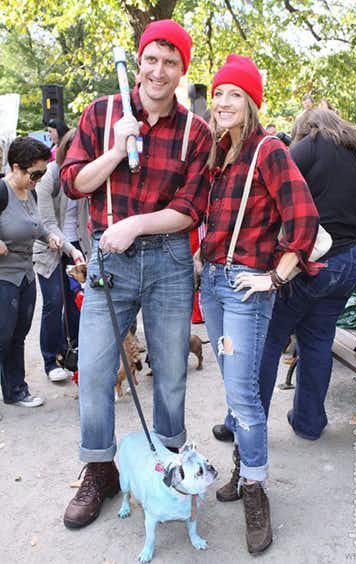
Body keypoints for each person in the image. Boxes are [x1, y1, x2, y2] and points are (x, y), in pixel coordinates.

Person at [60, 19, 211, 529]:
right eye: (151, 59)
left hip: (167, 258)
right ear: (139, 61)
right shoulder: (100, 113)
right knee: (97, 372)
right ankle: (99, 469)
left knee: (170, 375)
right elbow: (75, 183)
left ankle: (167, 464)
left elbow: (190, 208)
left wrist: (136, 225)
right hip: (109, 259)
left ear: (181, 70)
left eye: (171, 62)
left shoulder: (197, 131)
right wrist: (115, 150)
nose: (158, 71)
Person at [198, 54, 319, 553]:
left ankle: (256, 488)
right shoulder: (219, 152)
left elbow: (305, 220)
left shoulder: (268, 150)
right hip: (214, 284)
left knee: (245, 396)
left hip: (247, 286)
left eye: (234, 94)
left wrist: (274, 277)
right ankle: (241, 469)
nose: (223, 102)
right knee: (234, 388)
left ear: (250, 102)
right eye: (219, 93)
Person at [258, 108, 356, 440]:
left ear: (306, 127)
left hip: (312, 260)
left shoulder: (311, 145)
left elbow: (274, 186)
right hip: (351, 260)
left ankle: (250, 424)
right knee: (318, 342)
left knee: (270, 341)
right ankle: (309, 423)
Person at [0, 137, 60, 407]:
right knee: (2, 335)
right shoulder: (2, 191)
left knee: (18, 335)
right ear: (16, 168)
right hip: (3, 277)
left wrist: (48, 237)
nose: (40, 179)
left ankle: (16, 390)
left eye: (43, 173)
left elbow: (35, 226)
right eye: (35, 173)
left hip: (26, 273)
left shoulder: (31, 193)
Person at [33, 130, 91, 382]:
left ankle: (76, 351)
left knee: (78, 300)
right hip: (49, 248)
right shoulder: (49, 177)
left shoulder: (84, 175)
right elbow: (45, 222)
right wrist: (71, 249)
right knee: (54, 302)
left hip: (77, 245)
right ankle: (51, 359)